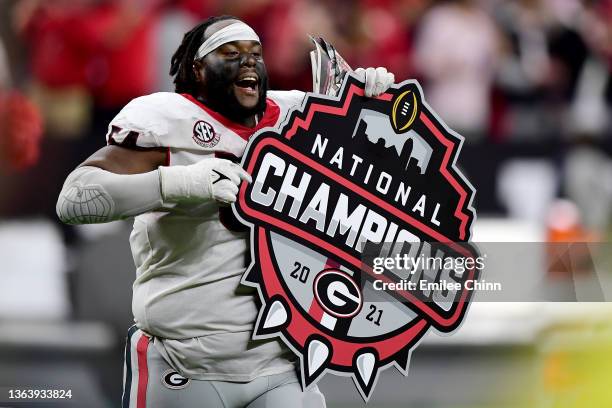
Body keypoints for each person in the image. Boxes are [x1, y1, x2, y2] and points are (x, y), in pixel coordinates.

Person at [56, 15, 394, 408]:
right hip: (186, 364)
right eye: (230, 53)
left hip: (283, 364)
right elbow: (74, 199)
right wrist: (178, 184)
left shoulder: (297, 117)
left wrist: (373, 106)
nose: (248, 62)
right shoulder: (167, 120)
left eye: (256, 54)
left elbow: (381, 178)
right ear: (197, 69)